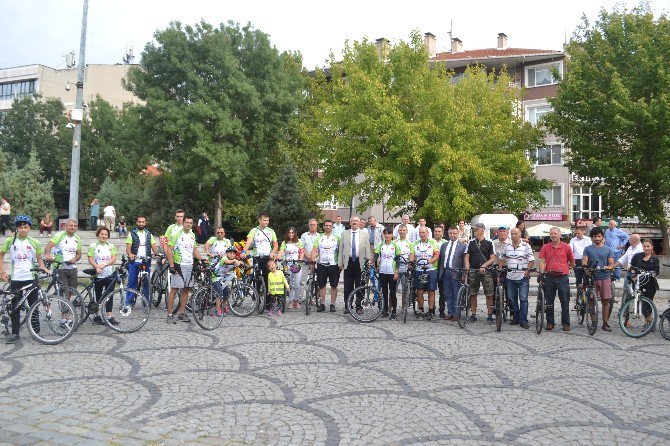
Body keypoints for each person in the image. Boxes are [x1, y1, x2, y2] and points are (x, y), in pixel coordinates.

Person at [0, 215, 49, 344]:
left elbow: (39, 259)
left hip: (31, 278)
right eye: (20, 227)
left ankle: (36, 331)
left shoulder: (35, 242)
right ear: (16, 228)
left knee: (34, 305)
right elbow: (1, 255)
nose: (23, 230)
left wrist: (44, 268)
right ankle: (15, 333)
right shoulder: (10, 241)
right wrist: (2, 272)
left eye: (25, 227)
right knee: (16, 306)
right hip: (16, 278)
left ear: (29, 228)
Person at [166, 215, 203, 323]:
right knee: (174, 289)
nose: (188, 224)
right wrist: (172, 265)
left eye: (190, 223)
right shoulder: (176, 234)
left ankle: (182, 313)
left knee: (186, 289)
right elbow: (169, 250)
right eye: (187, 222)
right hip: (178, 264)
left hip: (189, 265)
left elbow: (194, 249)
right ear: (183, 223)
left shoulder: (192, 235)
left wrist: (201, 259)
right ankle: (169, 314)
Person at [45, 219, 82, 327]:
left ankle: (66, 315)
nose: (73, 227)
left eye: (75, 226)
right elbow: (48, 247)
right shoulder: (59, 235)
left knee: (70, 293)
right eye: (71, 225)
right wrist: (48, 255)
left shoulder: (77, 238)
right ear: (65, 226)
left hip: (72, 268)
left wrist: (75, 259)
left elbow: (79, 254)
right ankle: (64, 318)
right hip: (60, 268)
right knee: (64, 293)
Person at [539, 227, 576, 331]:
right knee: (549, 302)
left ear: (560, 235)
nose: (553, 235)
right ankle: (550, 322)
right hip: (550, 277)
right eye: (551, 234)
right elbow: (542, 261)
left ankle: (566, 323)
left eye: (555, 233)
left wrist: (566, 268)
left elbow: (572, 262)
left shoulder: (566, 247)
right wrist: (542, 273)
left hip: (562, 277)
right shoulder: (545, 247)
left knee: (564, 301)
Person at [582, 226, 616, 332]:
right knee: (591, 301)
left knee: (606, 301)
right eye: (595, 237)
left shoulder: (608, 250)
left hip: (605, 277)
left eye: (599, 236)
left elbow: (611, 264)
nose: (597, 238)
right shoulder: (587, 249)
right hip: (592, 278)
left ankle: (605, 323)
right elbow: (584, 262)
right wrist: (586, 268)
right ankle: (593, 321)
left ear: (602, 237)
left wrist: (609, 267)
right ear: (591, 238)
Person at [500, 227, 535, 328]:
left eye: (515, 234)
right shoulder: (507, 246)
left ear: (520, 235)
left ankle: (523, 320)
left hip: (522, 276)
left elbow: (531, 260)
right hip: (510, 276)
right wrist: (501, 269)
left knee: (523, 298)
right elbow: (501, 258)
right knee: (512, 298)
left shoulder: (526, 246)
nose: (513, 236)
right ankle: (515, 317)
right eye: (512, 234)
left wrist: (528, 270)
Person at [242, 213, 279, 309]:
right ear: (259, 220)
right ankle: (257, 301)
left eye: (267, 220)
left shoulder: (271, 231)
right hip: (257, 257)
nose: (266, 222)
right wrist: (243, 252)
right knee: (257, 280)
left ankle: (268, 302)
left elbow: (275, 244)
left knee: (268, 279)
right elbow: (248, 242)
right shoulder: (254, 231)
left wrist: (273, 252)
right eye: (264, 220)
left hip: (268, 258)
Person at [464, 223, 497, 323]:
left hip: (486, 271)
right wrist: (467, 268)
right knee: (472, 293)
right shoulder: (470, 242)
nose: (474, 231)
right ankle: (473, 315)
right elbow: (466, 256)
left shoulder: (489, 242)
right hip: (474, 270)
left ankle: (490, 315)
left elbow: (493, 258)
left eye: (475, 229)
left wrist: (484, 265)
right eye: (473, 230)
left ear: (482, 230)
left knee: (489, 293)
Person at [338, 215, 371, 315]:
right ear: (350, 222)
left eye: (357, 221)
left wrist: (369, 260)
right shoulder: (344, 233)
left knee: (360, 285)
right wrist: (340, 262)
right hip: (348, 262)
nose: (355, 222)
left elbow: (367, 248)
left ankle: (359, 306)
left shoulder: (364, 234)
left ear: (359, 222)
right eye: (353, 221)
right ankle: (348, 305)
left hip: (360, 262)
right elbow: (341, 249)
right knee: (348, 285)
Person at [87, 226, 119, 325]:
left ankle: (109, 316)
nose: (103, 236)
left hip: (109, 274)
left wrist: (105, 264)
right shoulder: (93, 246)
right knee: (98, 296)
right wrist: (97, 267)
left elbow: (113, 259)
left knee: (110, 296)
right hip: (98, 275)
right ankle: (97, 316)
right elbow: (90, 259)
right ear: (98, 234)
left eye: (105, 234)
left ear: (108, 236)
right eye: (102, 234)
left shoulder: (111, 246)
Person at [125, 216, 159, 308]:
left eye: (143, 222)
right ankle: (128, 302)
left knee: (146, 282)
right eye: (139, 222)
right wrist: (130, 254)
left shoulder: (149, 234)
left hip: (146, 260)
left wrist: (157, 253)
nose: (141, 224)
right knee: (132, 282)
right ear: (137, 223)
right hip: (134, 261)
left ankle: (146, 301)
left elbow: (154, 247)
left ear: (145, 223)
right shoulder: (132, 234)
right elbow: (128, 248)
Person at [410, 226, 440, 320]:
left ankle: (431, 311)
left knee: (431, 291)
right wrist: (411, 263)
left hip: (431, 269)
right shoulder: (415, 243)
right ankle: (421, 309)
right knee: (419, 291)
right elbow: (412, 255)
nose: (422, 234)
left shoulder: (433, 242)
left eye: (424, 232)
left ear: (427, 233)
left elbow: (436, 255)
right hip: (419, 269)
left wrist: (431, 261)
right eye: (420, 232)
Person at [629, 239, 660, 331]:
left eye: (648, 246)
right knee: (639, 302)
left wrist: (652, 273)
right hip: (638, 282)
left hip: (650, 284)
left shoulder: (655, 259)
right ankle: (650, 321)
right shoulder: (637, 256)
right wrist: (633, 275)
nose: (646, 248)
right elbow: (632, 268)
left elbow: (656, 270)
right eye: (644, 246)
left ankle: (648, 322)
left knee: (648, 303)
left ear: (651, 247)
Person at [438, 226, 467, 321]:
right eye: (450, 233)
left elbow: (464, 261)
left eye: (454, 233)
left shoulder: (463, 246)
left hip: (456, 272)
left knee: (456, 294)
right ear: (448, 234)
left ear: (458, 233)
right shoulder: (444, 245)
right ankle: (450, 312)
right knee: (447, 294)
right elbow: (441, 260)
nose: (452, 235)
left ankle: (456, 314)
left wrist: (464, 274)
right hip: (445, 272)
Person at [311, 220, 340, 312]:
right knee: (322, 285)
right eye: (326, 225)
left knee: (334, 285)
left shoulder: (337, 238)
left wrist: (341, 264)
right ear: (323, 227)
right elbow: (315, 250)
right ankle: (322, 303)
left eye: (330, 225)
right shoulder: (319, 237)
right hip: (321, 264)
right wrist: (312, 259)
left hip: (333, 264)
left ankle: (332, 304)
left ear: (332, 227)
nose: (328, 227)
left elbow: (341, 251)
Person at [277, 227, 304, 309]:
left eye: (292, 233)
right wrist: (278, 257)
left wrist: (300, 259)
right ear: (287, 234)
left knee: (296, 283)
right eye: (289, 233)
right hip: (287, 265)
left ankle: (296, 301)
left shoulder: (299, 242)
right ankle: (291, 301)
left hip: (296, 265)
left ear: (295, 233)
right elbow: (281, 251)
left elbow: (301, 252)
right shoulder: (284, 243)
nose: (291, 234)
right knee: (289, 284)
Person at [213, 246, 245, 316]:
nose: (232, 255)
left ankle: (224, 307)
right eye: (230, 253)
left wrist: (241, 263)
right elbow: (227, 261)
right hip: (215, 277)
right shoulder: (225, 258)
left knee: (226, 293)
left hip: (222, 278)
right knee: (219, 294)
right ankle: (218, 309)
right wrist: (234, 261)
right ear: (226, 253)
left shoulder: (234, 259)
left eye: (234, 254)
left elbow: (240, 262)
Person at [375, 228, 398, 319]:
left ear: (392, 235)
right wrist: (371, 261)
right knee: (384, 292)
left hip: (392, 272)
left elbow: (398, 259)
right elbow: (376, 255)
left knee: (392, 292)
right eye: (385, 234)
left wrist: (396, 271)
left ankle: (394, 311)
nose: (387, 235)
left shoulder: (395, 245)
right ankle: (385, 310)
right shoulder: (381, 245)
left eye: (389, 234)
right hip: (382, 271)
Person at [613, 233, 643, 298]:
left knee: (637, 290)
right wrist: (613, 266)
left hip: (638, 272)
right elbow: (623, 259)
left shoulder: (641, 249)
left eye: (629, 240)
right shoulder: (630, 248)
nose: (628, 241)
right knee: (626, 290)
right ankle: (625, 307)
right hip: (629, 271)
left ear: (633, 241)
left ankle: (636, 306)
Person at [394, 224, 413, 312]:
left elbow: (412, 255)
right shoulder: (395, 242)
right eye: (400, 230)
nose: (402, 232)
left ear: (407, 231)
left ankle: (403, 307)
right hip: (396, 268)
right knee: (393, 288)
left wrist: (410, 264)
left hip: (405, 268)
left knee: (405, 289)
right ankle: (391, 307)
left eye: (404, 230)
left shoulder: (410, 243)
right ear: (398, 231)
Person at [569, 226, 592, 291]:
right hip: (577, 260)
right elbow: (570, 250)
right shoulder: (573, 240)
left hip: (586, 259)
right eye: (576, 233)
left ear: (583, 232)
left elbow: (590, 249)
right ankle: (579, 293)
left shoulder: (588, 239)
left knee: (586, 276)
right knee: (578, 277)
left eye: (578, 233)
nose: (577, 235)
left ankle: (586, 291)